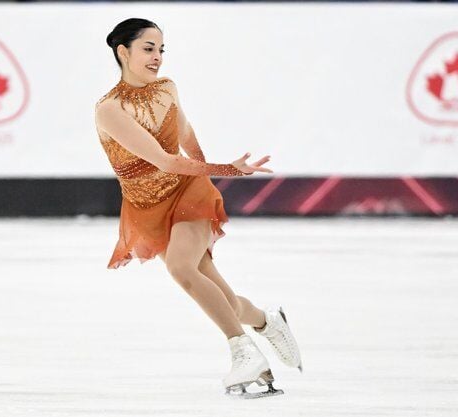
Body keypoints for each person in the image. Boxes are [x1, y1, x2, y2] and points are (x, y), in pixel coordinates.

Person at [94, 18, 302, 398]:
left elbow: (185, 135)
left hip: (188, 192)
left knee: (181, 268)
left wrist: (207, 172)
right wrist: (227, 170)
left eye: (161, 49)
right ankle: (266, 322)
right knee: (222, 296)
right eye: (147, 49)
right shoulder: (110, 109)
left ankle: (243, 352)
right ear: (123, 52)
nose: (157, 57)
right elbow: (163, 160)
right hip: (150, 205)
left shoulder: (167, 89)